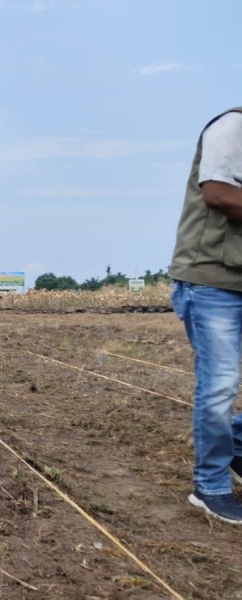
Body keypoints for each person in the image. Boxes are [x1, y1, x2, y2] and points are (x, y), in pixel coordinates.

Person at [169, 106, 242, 524]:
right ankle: (211, 486)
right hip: (212, 280)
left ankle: (236, 444)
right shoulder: (233, 126)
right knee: (219, 387)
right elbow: (219, 193)